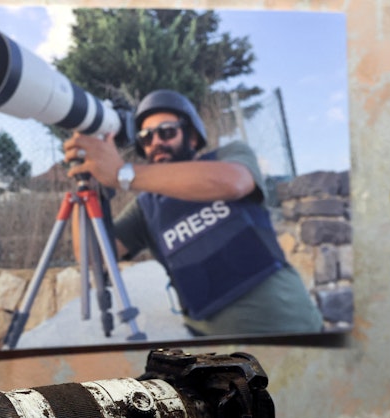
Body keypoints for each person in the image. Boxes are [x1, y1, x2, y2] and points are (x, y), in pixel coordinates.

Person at [63, 89, 323, 336]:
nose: (156, 143)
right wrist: (89, 185)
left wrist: (122, 173)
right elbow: (91, 254)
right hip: (209, 354)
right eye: (146, 137)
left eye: (166, 132)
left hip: (290, 329)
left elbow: (234, 183)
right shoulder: (146, 207)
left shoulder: (230, 156)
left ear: (193, 136)